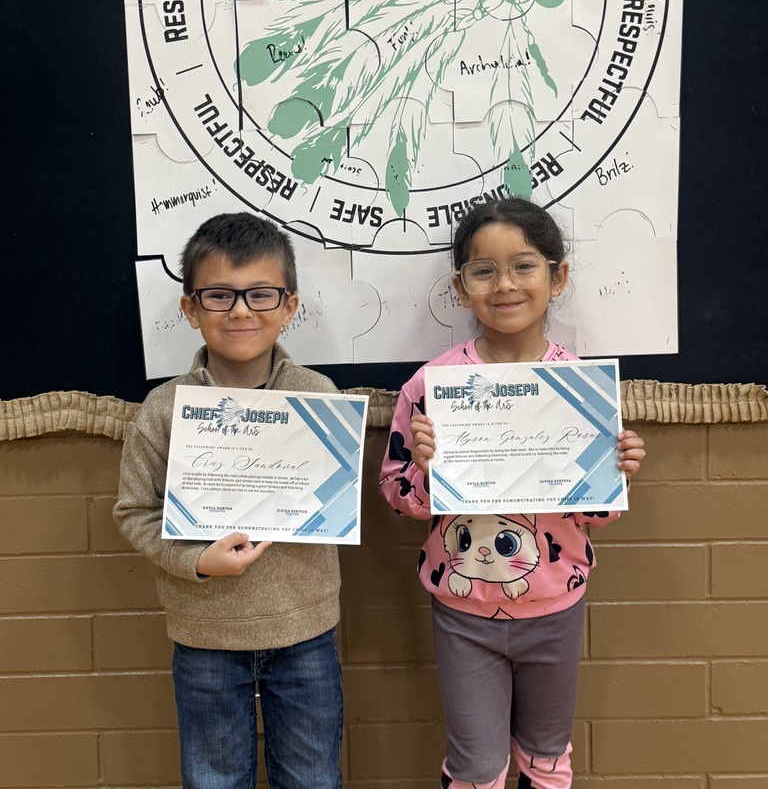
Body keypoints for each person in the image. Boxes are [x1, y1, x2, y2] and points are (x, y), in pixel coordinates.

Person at [379, 198, 646, 789]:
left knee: (548, 756)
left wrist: (616, 472)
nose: (504, 284)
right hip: (463, 611)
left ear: (558, 277)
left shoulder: (581, 388)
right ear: (460, 285)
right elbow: (399, 498)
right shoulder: (431, 386)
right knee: (477, 766)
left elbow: (595, 516)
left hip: (556, 605)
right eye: (484, 270)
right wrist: (422, 469)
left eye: (524, 266)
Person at [114, 212, 343, 789]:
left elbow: (338, 500)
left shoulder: (319, 397)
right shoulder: (164, 409)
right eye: (219, 295)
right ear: (191, 309)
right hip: (205, 635)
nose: (241, 311)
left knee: (312, 777)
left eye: (261, 294)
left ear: (289, 306)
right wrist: (194, 560)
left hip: (305, 631)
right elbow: (134, 512)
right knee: (214, 779)